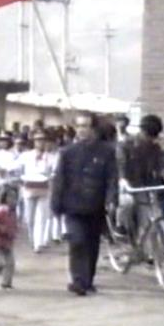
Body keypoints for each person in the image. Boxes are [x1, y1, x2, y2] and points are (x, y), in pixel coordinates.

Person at [51, 113, 118, 296]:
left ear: (93, 129)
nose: (82, 130)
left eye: (86, 126)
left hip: (96, 204)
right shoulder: (68, 152)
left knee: (92, 244)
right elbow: (60, 178)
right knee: (77, 241)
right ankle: (78, 281)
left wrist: (111, 199)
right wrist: (56, 203)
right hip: (73, 204)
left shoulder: (106, 151)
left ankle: (88, 280)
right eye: (79, 126)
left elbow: (112, 178)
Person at [117, 114, 164, 238]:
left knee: (148, 211)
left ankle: (146, 243)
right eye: (148, 136)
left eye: (153, 137)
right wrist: (122, 178)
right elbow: (121, 162)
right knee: (127, 203)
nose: (150, 140)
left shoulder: (155, 148)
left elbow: (160, 165)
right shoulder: (126, 144)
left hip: (143, 184)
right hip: (126, 183)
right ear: (142, 131)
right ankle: (121, 226)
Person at [17, 129, 55, 253]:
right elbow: (17, 168)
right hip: (29, 187)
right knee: (29, 218)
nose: (40, 142)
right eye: (38, 140)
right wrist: (20, 178)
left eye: (43, 140)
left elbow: (55, 171)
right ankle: (32, 239)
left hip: (44, 188)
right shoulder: (26, 156)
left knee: (42, 217)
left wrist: (50, 177)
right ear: (33, 141)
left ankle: (38, 243)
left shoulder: (51, 157)